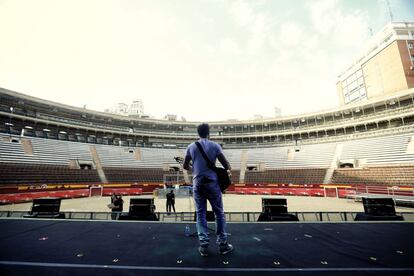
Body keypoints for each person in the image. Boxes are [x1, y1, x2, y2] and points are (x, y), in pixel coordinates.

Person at [183, 123, 233, 257]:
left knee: (201, 214)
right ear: (208, 133)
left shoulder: (191, 146)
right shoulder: (215, 145)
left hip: (198, 183)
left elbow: (185, 166)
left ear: (198, 133)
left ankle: (204, 246)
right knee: (219, 213)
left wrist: (195, 169)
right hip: (212, 183)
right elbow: (225, 164)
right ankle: (223, 245)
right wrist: (227, 170)